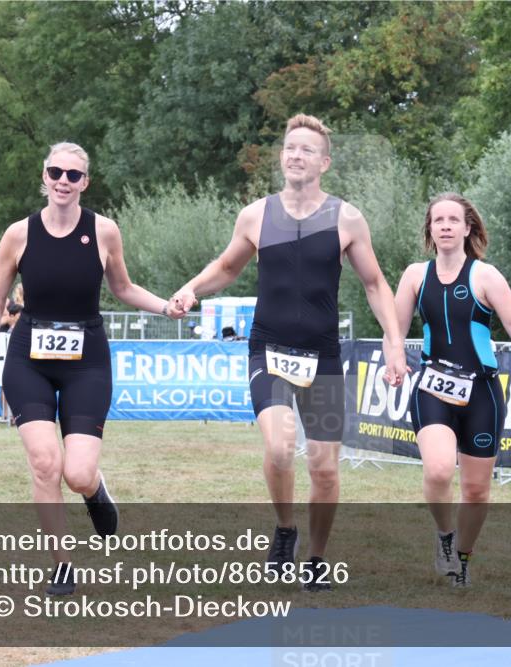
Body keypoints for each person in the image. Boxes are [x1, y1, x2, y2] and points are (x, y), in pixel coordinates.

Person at [171, 114, 407, 592]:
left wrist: (394, 340)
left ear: (325, 162)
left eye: (306, 149)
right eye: (289, 147)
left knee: (323, 467)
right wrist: (192, 289)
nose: (295, 155)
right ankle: (284, 529)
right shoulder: (256, 215)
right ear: (282, 157)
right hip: (269, 348)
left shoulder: (347, 218)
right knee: (279, 448)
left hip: (321, 354)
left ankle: (316, 557)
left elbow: (375, 284)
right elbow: (227, 267)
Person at [0, 141, 183, 596]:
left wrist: (165, 307)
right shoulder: (18, 234)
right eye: (55, 172)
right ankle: (62, 564)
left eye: (73, 175)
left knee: (77, 472)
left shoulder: (104, 231)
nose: (63, 181)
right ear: (44, 177)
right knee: (46, 463)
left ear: (86, 182)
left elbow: (123, 288)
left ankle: (94, 490)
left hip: (87, 360)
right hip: (29, 358)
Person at [393, 193, 511, 587]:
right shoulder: (414, 275)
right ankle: (445, 537)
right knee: (440, 469)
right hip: (432, 387)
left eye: (452, 220)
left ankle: (463, 557)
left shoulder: (486, 276)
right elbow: (393, 331)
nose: (444, 225)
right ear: (429, 229)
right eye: (437, 220)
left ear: (467, 228)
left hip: (482, 394)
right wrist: (391, 360)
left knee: (476, 491)